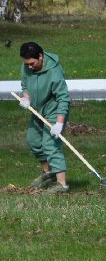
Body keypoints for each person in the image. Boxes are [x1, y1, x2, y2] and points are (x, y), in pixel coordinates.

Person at [17, 41, 70, 194]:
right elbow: (25, 84)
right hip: (37, 108)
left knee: (50, 144)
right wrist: (26, 97)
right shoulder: (27, 66)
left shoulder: (54, 72)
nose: (29, 67)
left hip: (54, 108)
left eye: (32, 63)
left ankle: (62, 184)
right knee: (33, 140)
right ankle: (48, 173)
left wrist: (59, 123)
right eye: (26, 64)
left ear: (40, 57)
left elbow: (63, 98)